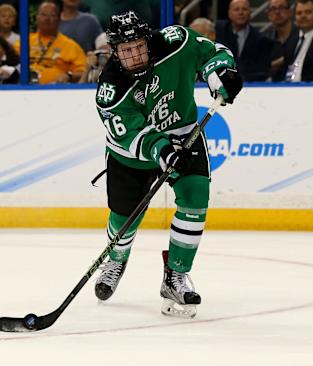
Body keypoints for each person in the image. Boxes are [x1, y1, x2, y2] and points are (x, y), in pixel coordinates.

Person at [94, 11, 242, 317]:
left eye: (137, 46)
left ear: (148, 40)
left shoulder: (176, 42)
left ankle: (175, 275)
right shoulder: (110, 89)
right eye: (125, 50)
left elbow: (211, 52)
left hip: (184, 131)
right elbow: (131, 133)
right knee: (124, 218)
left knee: (195, 197)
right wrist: (162, 151)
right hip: (133, 152)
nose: (133, 56)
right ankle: (117, 258)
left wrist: (220, 73)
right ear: (114, 51)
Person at [15, 0, 86, 84]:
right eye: (43, 14)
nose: (47, 19)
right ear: (36, 17)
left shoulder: (71, 46)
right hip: (23, 88)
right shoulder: (24, 41)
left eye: (52, 15)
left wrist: (69, 75)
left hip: (56, 91)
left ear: (59, 19)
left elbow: (84, 73)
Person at [215, 0, 275, 81]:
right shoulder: (219, 32)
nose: (241, 13)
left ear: (250, 13)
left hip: (250, 87)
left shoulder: (262, 41)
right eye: (236, 9)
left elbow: (262, 71)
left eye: (244, 9)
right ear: (229, 13)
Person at [263, 0, 299, 81]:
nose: (277, 12)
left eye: (281, 8)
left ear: (290, 12)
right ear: (268, 14)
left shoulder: (302, 36)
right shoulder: (265, 39)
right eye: (273, 9)